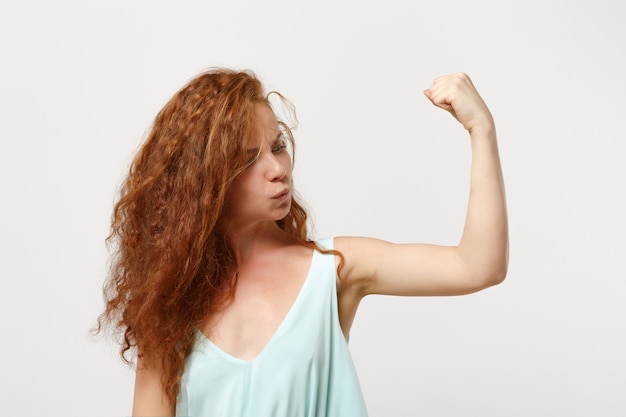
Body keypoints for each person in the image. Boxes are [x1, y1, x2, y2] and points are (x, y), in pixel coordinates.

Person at [97, 68, 508, 417]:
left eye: (278, 146)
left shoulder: (336, 268)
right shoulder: (169, 300)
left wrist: (481, 129)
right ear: (201, 182)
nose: (277, 169)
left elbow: (478, 265)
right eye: (246, 159)